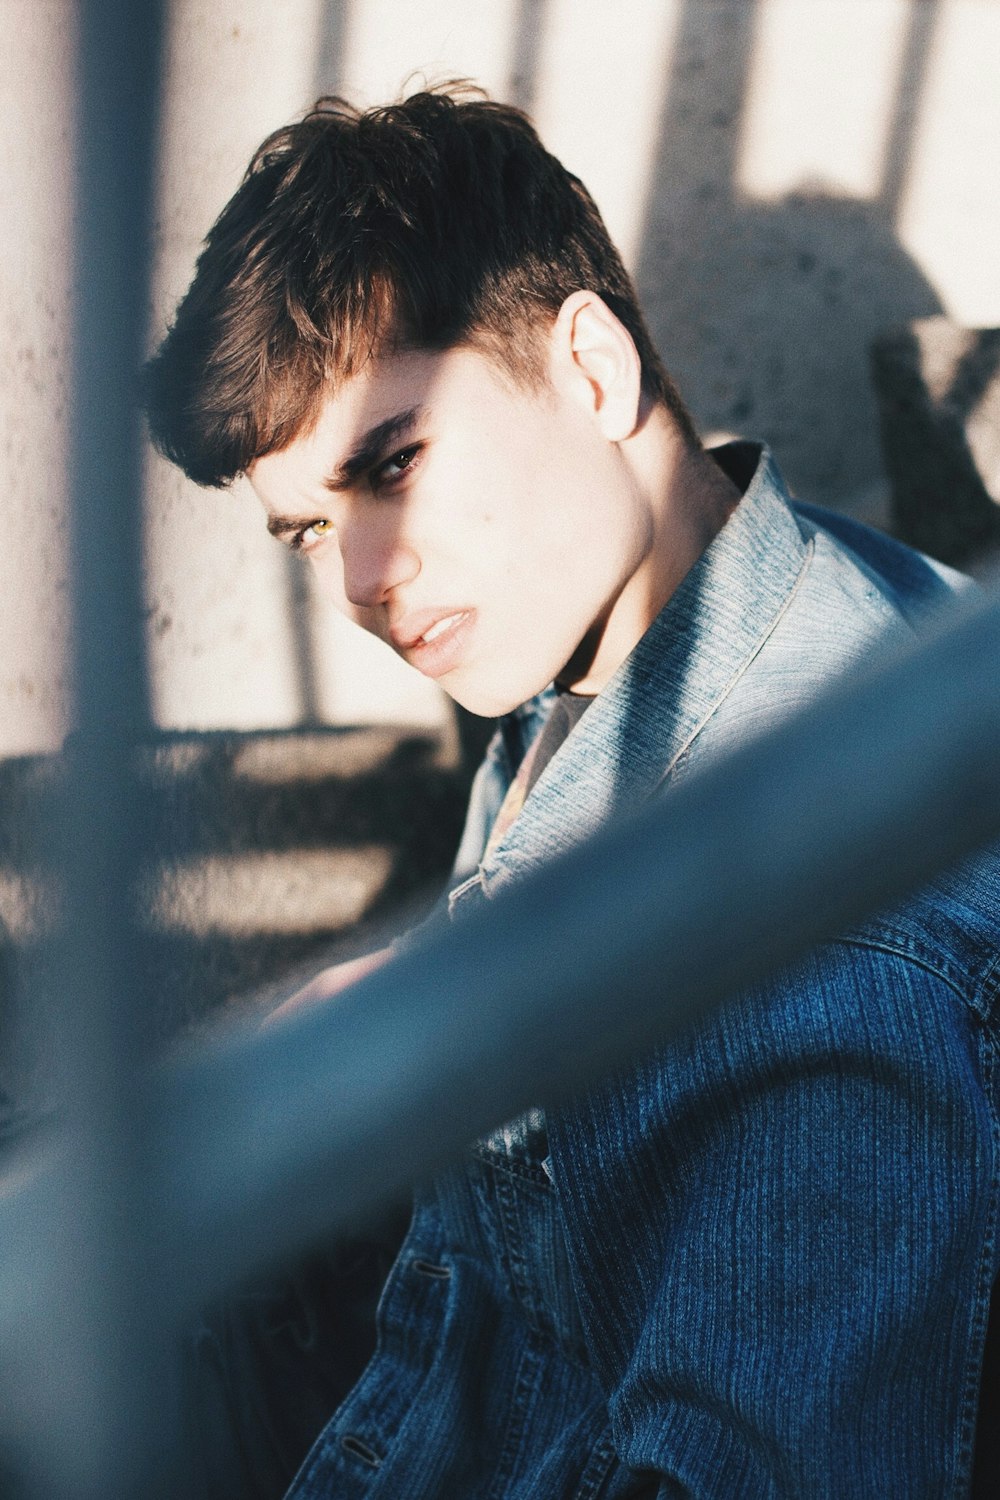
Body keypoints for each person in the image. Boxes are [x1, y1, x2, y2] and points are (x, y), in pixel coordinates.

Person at [145, 85, 1000, 1499]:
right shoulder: (663, 625)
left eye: (394, 464)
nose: (362, 583)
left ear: (593, 368)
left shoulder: (807, 964)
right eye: (312, 529)